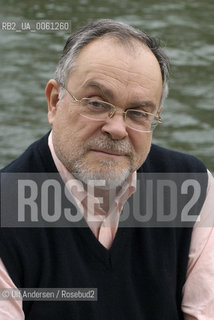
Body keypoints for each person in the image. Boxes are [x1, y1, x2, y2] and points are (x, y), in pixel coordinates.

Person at [0, 19, 213, 320]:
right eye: (97, 103)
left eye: (139, 113)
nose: (117, 128)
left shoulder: (192, 189)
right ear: (54, 102)